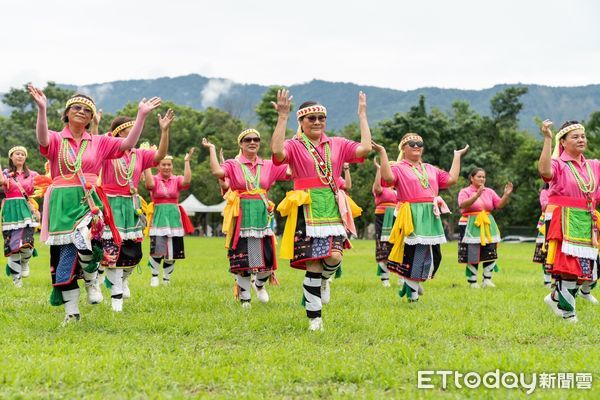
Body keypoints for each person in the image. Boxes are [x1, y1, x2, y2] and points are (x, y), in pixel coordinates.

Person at [28, 84, 160, 324]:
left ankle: (91, 277)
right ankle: (72, 313)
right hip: (61, 201)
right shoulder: (58, 139)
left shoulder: (99, 142)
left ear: (91, 118)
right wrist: (41, 109)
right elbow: (42, 137)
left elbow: (127, 144)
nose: (81, 112)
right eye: (76, 108)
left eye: (86, 110)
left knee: (86, 242)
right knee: (64, 257)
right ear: (67, 113)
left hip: (88, 199)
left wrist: (141, 115)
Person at [271, 89, 372, 331]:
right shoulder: (294, 145)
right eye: (311, 118)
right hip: (306, 206)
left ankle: (326, 280)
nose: (317, 122)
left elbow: (365, 149)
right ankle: (315, 319)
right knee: (313, 263)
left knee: (334, 256)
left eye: (321, 118)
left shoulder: (337, 143)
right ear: (302, 122)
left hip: (332, 204)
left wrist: (362, 115)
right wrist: (282, 117)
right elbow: (276, 153)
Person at [375, 133, 468, 302]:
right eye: (412, 143)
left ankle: (414, 282)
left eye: (419, 143)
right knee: (414, 253)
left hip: (430, 214)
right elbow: (387, 179)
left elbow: (452, 179)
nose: (416, 146)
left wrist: (457, 156)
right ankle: (413, 295)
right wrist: (382, 153)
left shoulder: (430, 168)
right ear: (403, 148)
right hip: (411, 214)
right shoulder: (398, 168)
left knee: (433, 255)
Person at [202, 129, 288, 307]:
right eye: (247, 139)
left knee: (267, 261)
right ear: (240, 144)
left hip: (262, 217)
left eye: (256, 139)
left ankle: (259, 284)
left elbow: (289, 172)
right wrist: (211, 149)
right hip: (241, 216)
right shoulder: (233, 164)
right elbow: (218, 172)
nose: (252, 142)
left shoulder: (268, 165)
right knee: (243, 260)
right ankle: (245, 300)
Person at [99, 110, 172, 311]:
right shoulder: (106, 150)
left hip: (132, 205)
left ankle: (123, 280)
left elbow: (160, 155)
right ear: (121, 133)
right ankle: (116, 298)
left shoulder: (139, 154)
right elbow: (95, 144)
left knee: (133, 253)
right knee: (111, 252)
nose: (136, 134)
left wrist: (164, 131)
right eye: (132, 130)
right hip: (111, 204)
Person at [538, 120, 600, 322]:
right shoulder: (559, 164)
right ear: (562, 142)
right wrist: (547, 139)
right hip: (564, 218)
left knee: (585, 270)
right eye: (575, 136)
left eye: (583, 136)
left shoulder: (594, 165)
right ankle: (568, 314)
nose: (581, 139)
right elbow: (545, 172)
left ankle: (555, 297)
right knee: (568, 268)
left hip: (586, 219)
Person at [144, 148, 194, 286]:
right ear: (158, 166)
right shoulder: (154, 178)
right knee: (158, 249)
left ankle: (166, 278)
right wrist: (146, 163)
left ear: (172, 166)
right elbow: (149, 185)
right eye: (163, 164)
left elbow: (187, 181)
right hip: (159, 214)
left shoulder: (177, 179)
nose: (166, 167)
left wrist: (187, 161)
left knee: (173, 252)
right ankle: (154, 276)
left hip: (173, 216)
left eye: (169, 164)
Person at [457, 168, 512, 288]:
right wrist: (476, 195)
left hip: (487, 224)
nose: (482, 179)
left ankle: (487, 280)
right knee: (473, 253)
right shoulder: (465, 191)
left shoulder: (489, 191)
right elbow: (462, 205)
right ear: (472, 178)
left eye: (483, 177)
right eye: (479, 177)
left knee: (490, 251)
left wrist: (506, 195)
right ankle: (472, 282)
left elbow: (499, 205)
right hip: (470, 223)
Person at [0, 147, 39, 287]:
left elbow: (40, 189)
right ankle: (17, 281)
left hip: (26, 211)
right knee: (13, 247)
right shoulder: (6, 174)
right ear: (11, 156)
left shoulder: (33, 174)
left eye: (23, 154)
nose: (20, 156)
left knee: (27, 244)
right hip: (10, 212)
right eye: (17, 154)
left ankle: (25, 262)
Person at [372, 156, 397, 287]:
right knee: (383, 246)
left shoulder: (397, 187)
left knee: (398, 246)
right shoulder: (380, 186)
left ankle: (401, 277)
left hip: (397, 216)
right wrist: (379, 169)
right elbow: (377, 189)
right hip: (382, 216)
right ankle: (385, 278)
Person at [532, 183, 553, 287]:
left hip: (561, 220)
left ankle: (558, 280)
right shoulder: (545, 192)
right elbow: (545, 205)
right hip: (547, 222)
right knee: (546, 251)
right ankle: (547, 280)